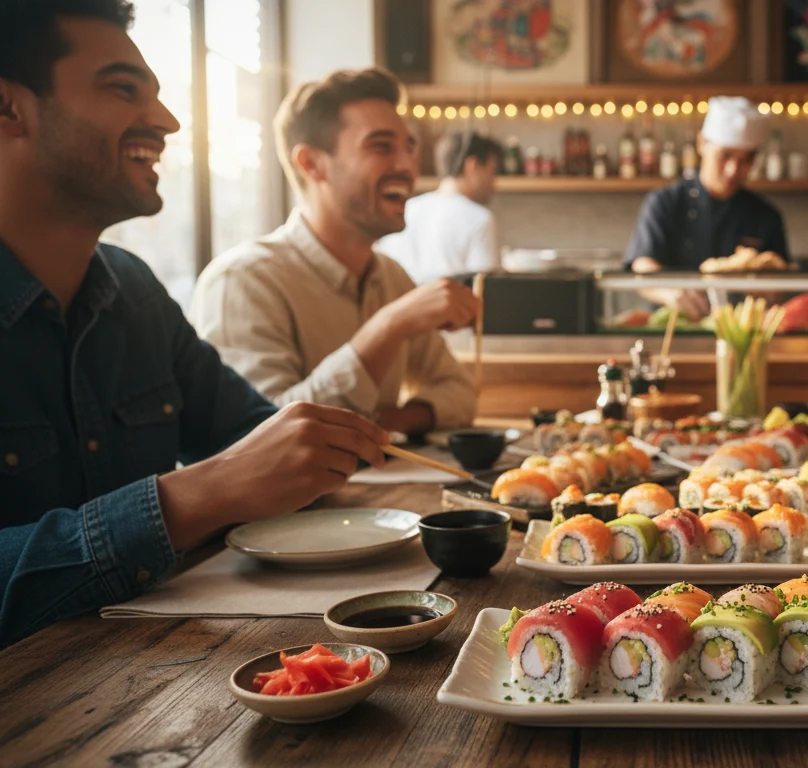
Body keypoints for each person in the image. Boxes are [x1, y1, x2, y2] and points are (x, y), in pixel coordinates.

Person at [0, 0, 389, 646]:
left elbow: (259, 439)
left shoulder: (134, 290)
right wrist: (187, 500)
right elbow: (228, 475)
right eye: (123, 89)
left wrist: (308, 451)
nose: (167, 120)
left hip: (160, 681)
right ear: (10, 108)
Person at [190, 69, 478, 437]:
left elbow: (460, 392)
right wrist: (387, 327)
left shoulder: (391, 277)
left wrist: (390, 422)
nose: (408, 166)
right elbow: (261, 436)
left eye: (409, 147)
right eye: (381, 147)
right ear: (311, 164)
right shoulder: (242, 281)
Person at [624, 95, 789, 319]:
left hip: (742, 329)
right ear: (702, 144)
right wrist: (671, 292)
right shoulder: (665, 202)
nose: (733, 170)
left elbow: (783, 282)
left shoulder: (766, 215)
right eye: (725, 155)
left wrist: (770, 289)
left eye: (745, 160)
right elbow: (642, 266)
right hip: (675, 325)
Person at [378, 130, 503, 283]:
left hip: (402, 298)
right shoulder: (480, 219)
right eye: (492, 172)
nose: (494, 182)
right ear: (473, 166)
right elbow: (485, 288)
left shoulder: (405, 209)